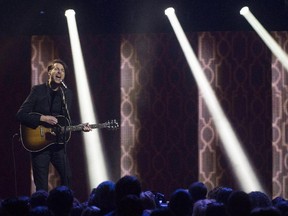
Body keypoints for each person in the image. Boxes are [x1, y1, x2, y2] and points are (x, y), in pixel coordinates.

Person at [16, 59, 91, 191]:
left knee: (67, 177)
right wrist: (43, 118)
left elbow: (66, 122)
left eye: (62, 71)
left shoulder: (66, 94)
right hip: (39, 145)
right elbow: (21, 114)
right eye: (56, 69)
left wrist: (80, 127)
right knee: (42, 186)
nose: (59, 72)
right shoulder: (38, 90)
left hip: (58, 145)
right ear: (49, 72)